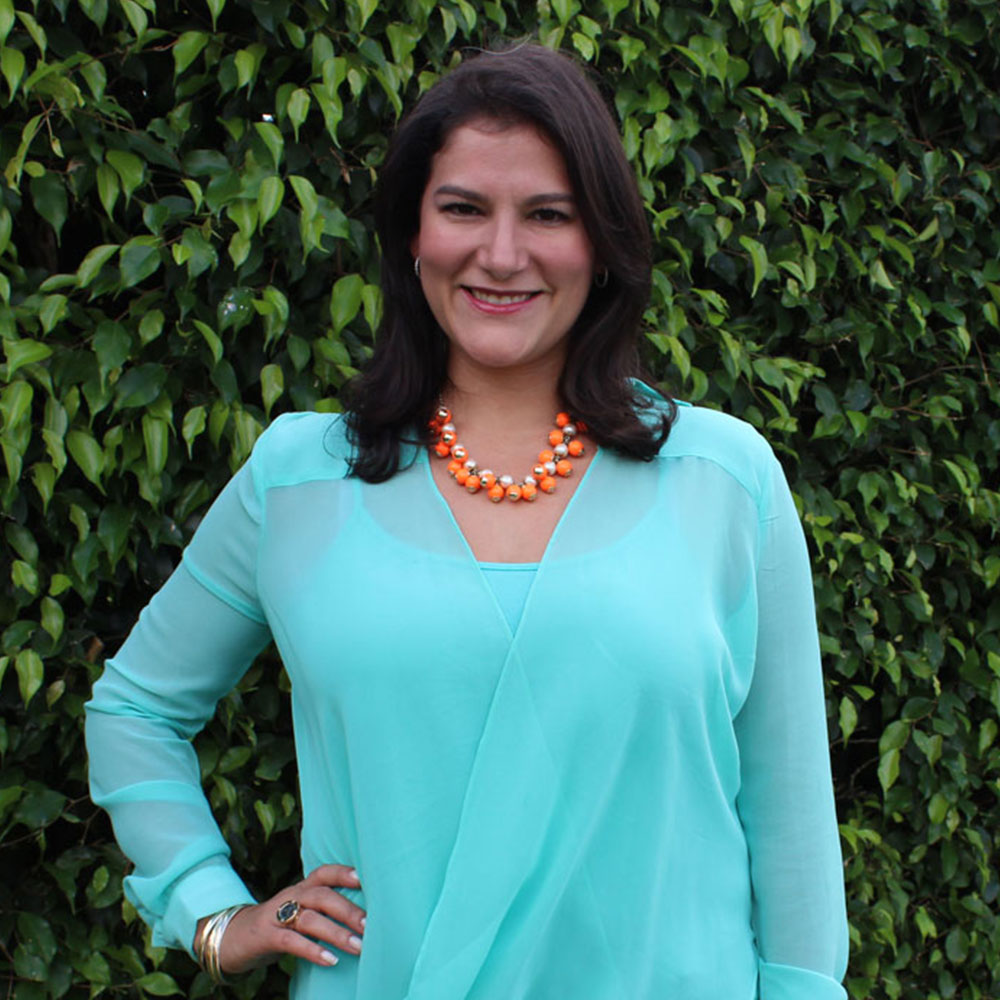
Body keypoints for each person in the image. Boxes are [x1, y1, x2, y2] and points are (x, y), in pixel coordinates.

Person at [86, 43, 849, 999]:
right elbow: (135, 710)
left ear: (602, 243)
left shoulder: (723, 480)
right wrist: (211, 914)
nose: (502, 254)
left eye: (548, 214)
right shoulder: (299, 481)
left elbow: (791, 814)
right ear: (413, 233)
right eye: (463, 209)